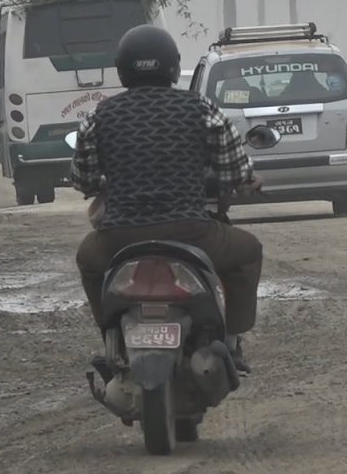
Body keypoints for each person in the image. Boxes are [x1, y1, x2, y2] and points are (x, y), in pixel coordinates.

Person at [71, 25, 264, 369]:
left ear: (122, 69)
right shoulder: (201, 109)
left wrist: (103, 182)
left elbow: (83, 178)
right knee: (249, 252)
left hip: (119, 238)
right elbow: (234, 168)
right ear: (174, 68)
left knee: (87, 259)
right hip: (191, 232)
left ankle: (110, 335)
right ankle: (232, 342)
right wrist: (247, 182)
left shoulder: (100, 116)